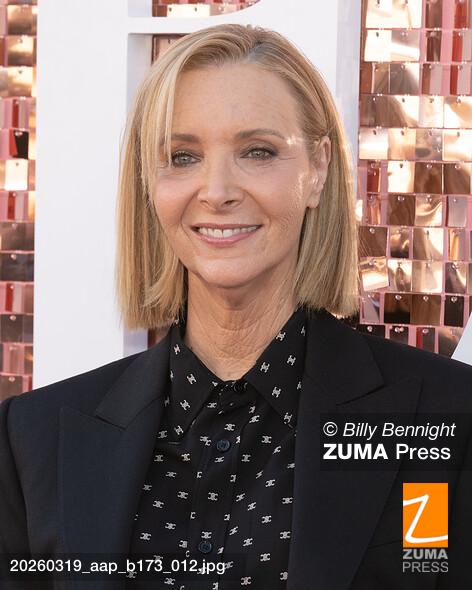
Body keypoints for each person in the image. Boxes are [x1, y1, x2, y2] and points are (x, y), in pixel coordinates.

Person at [1, 22, 472, 590]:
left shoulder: (444, 418)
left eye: (257, 152)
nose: (217, 191)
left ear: (318, 169)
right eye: (182, 156)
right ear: (150, 183)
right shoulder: (35, 438)